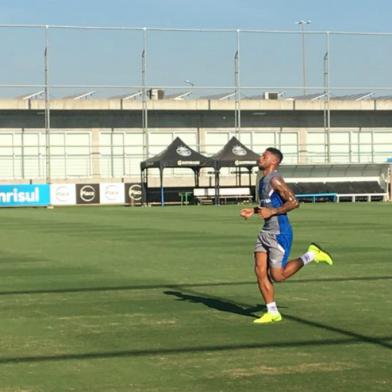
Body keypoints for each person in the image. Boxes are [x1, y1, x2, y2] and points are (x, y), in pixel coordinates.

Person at [240, 147, 333, 324]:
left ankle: (312, 254)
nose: (260, 158)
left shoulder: (276, 180)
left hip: (279, 232)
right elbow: (267, 205)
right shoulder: (262, 180)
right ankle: (272, 311)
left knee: (278, 276)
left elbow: (294, 202)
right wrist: (253, 211)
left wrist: (272, 211)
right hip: (266, 231)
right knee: (260, 271)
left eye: (264, 156)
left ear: (273, 161)